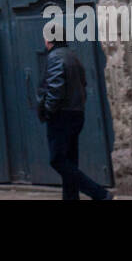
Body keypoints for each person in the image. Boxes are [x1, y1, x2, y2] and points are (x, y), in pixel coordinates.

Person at [37, 32, 111, 200]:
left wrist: (48, 110)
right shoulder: (73, 56)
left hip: (61, 115)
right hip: (76, 113)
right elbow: (83, 84)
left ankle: (100, 194)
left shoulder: (55, 57)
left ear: (48, 39)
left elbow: (55, 88)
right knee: (69, 160)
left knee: (57, 160)